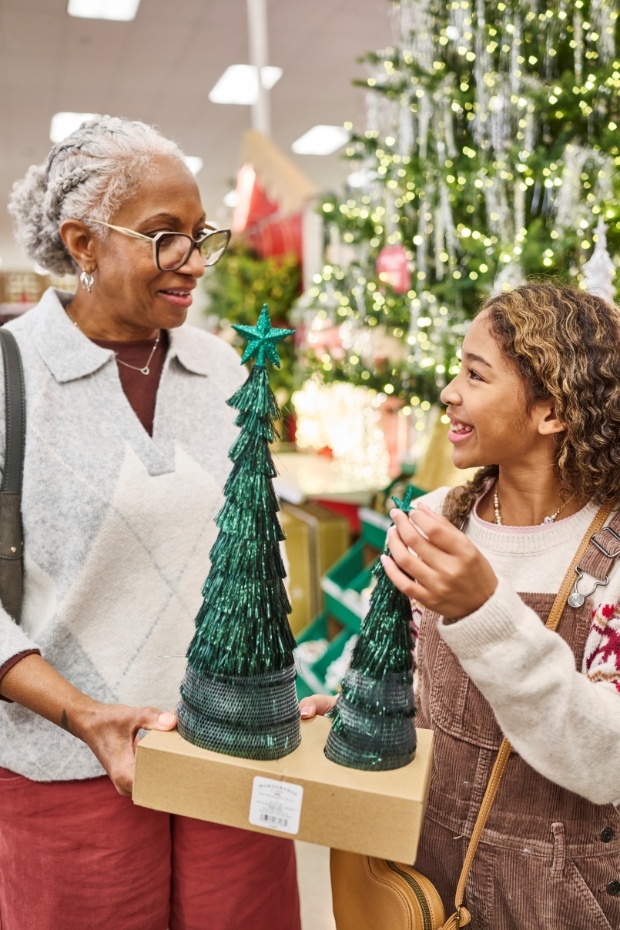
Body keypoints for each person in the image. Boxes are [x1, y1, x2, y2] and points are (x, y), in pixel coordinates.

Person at [0, 116, 301, 930]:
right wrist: (83, 714)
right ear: (84, 242)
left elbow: (249, 558)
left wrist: (285, 681)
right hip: (66, 769)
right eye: (166, 237)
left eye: (202, 235)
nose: (196, 263)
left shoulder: (226, 371)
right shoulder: (12, 377)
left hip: (228, 752)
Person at [301, 282, 620, 929]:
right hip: (422, 881)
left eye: (475, 375)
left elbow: (606, 763)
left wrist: (483, 612)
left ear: (551, 411)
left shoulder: (609, 557)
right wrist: (369, 712)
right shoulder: (430, 522)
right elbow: (414, 679)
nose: (448, 393)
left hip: (565, 899)